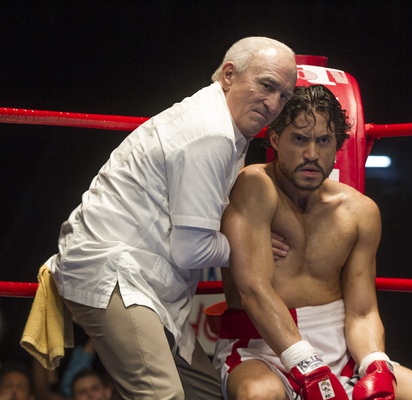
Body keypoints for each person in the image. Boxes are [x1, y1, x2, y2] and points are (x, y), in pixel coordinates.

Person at [46, 36, 297, 399]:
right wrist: (249, 245)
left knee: (206, 394)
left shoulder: (225, 125)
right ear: (229, 75)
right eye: (267, 86)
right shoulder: (210, 132)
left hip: (152, 280)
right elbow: (191, 251)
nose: (274, 104)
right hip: (114, 272)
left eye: (284, 96)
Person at [213, 84, 412, 400]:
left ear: (337, 144)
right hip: (260, 347)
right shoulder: (255, 186)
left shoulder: (359, 212)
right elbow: (253, 291)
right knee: (259, 395)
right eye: (299, 139)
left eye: (323, 140)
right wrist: (307, 365)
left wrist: (375, 363)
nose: (311, 154)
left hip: (340, 349)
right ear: (274, 140)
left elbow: (362, 311)